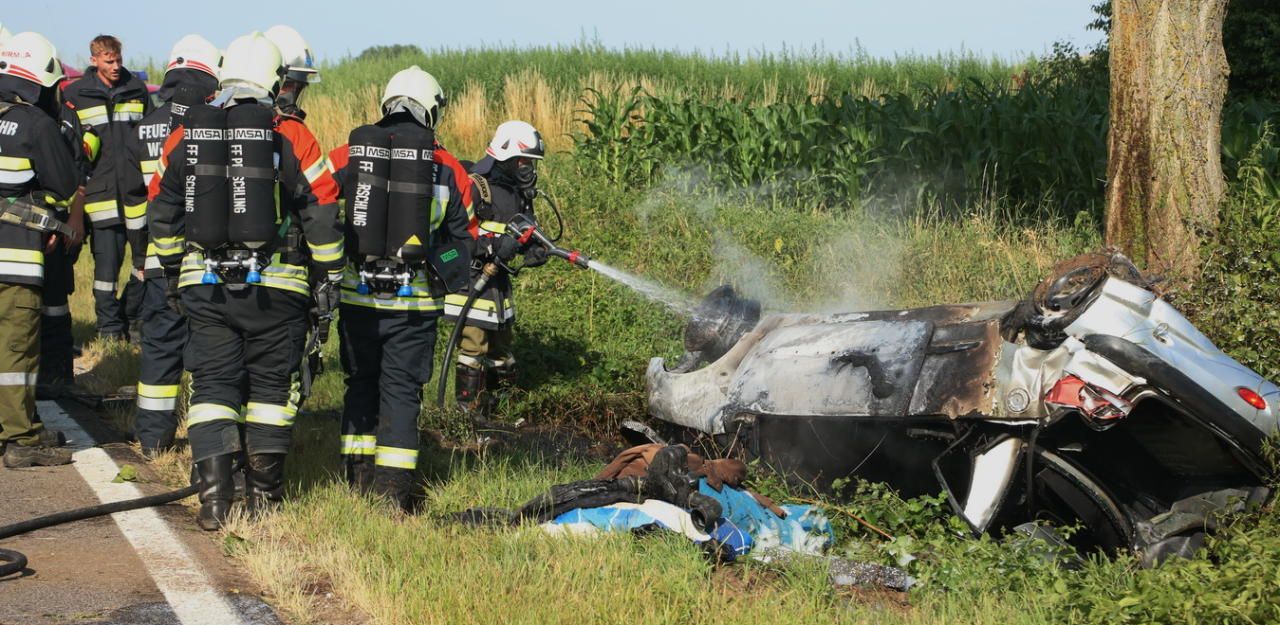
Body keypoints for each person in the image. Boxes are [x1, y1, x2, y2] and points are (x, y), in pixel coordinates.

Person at [147, 32, 344, 529]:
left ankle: (214, 499)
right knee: (271, 390)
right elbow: (321, 208)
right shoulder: (291, 134)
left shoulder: (190, 132)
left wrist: (174, 270)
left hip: (205, 284)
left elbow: (161, 207)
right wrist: (328, 274)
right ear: (275, 79)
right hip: (277, 288)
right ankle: (264, 500)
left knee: (213, 385)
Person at [328, 66, 476, 509]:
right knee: (401, 392)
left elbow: (313, 203)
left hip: (358, 299)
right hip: (414, 307)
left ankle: (357, 480)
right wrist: (438, 262)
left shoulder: (348, 154)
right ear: (431, 109)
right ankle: (392, 495)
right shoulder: (448, 168)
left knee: (360, 384)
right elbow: (464, 241)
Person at [130, 34, 222, 457]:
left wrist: (138, 256)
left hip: (155, 255)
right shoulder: (214, 120)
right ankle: (212, 438)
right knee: (210, 345)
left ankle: (152, 436)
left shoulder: (145, 124)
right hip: (205, 259)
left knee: (160, 344)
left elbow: (135, 200)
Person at [0, 32, 83, 467]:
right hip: (14, 256)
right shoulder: (35, 123)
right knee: (16, 349)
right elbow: (65, 183)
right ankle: (22, 440)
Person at [443, 120, 548, 417]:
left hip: (499, 284)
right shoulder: (476, 186)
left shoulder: (520, 195)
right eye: (524, 161)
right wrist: (492, 247)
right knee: (474, 346)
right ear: (506, 156)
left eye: (531, 163)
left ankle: (505, 410)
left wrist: (535, 249)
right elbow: (456, 237)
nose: (528, 168)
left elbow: (527, 230)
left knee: (502, 348)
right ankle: (468, 413)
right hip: (473, 282)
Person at [60, 34, 150, 342]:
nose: (115, 67)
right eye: (108, 61)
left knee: (144, 265)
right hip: (99, 197)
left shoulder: (137, 90)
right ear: (94, 60)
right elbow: (69, 150)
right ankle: (110, 332)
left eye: (118, 61)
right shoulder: (74, 95)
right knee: (105, 273)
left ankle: (132, 317)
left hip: (137, 196)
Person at [262, 25, 319, 120]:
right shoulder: (237, 122)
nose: (292, 94)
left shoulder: (297, 130)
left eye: (298, 87)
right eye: (288, 84)